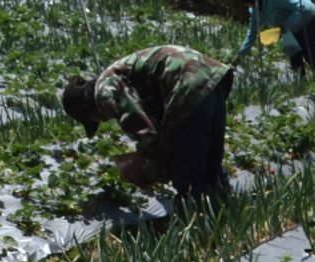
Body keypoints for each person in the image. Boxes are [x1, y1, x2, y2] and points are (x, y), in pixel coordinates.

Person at [61, 45, 234, 204]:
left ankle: (197, 228)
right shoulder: (113, 76)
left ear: (86, 108)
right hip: (211, 75)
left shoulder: (104, 91)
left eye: (94, 120)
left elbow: (143, 127)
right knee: (211, 167)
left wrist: (151, 166)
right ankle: (226, 218)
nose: (104, 120)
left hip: (188, 84)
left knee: (188, 179)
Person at [237, 0, 315, 76]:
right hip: (286, 30)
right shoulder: (254, 11)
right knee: (294, 60)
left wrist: (286, 26)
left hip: (308, 17)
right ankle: (303, 86)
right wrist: (241, 55)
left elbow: (301, 7)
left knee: (309, 55)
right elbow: (252, 34)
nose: (246, 5)